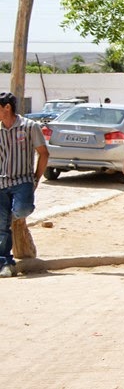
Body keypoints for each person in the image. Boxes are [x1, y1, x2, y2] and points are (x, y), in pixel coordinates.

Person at [0, 92, 48, 278]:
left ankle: (8, 219)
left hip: (23, 181)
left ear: (7, 107)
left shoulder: (30, 127)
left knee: (22, 209)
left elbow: (43, 153)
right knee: (2, 227)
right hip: (2, 182)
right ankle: (5, 263)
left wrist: (36, 179)